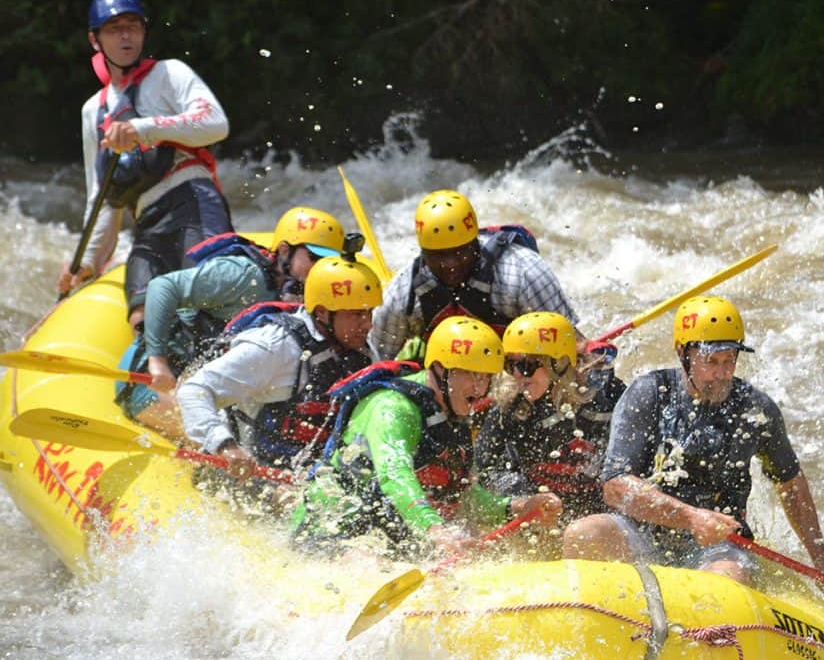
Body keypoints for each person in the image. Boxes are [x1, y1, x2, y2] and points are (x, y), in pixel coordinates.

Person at [563, 296, 824, 594]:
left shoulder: (756, 409)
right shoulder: (649, 393)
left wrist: (823, 561)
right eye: (711, 361)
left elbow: (789, 483)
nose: (722, 373)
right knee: (583, 534)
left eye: (729, 361)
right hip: (643, 533)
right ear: (683, 353)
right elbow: (616, 486)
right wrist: (691, 517)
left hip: (718, 548)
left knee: (727, 578)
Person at [291, 316, 562, 558]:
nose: (479, 388)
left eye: (486, 377)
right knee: (366, 559)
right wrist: (435, 529)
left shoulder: (451, 414)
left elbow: (461, 497)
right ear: (439, 369)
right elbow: (395, 474)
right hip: (327, 531)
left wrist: (518, 507)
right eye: (470, 374)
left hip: (385, 530)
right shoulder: (393, 408)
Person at [58, 0, 233, 329]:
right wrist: (88, 261)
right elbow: (103, 197)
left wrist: (142, 128)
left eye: (132, 26)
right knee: (140, 313)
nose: (126, 35)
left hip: (191, 203)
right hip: (148, 224)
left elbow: (216, 123)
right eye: (114, 29)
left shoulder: (169, 73)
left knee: (207, 301)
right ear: (95, 40)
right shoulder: (93, 110)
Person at [114, 207, 348, 439]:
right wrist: (157, 362)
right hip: (150, 381)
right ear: (285, 251)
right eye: (314, 259)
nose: (322, 268)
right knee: (226, 441)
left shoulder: (301, 293)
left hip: (204, 380)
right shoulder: (243, 275)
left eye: (329, 261)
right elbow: (162, 286)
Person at [177, 256, 382, 478]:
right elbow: (194, 390)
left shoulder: (360, 352)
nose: (368, 324)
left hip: (307, 471)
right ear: (323, 312)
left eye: (369, 312)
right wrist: (226, 447)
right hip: (248, 469)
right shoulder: (276, 346)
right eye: (356, 314)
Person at [369, 189, 580, 361]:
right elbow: (376, 361)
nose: (450, 264)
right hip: (449, 382)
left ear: (475, 244)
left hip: (518, 373)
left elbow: (573, 346)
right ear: (423, 254)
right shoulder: (403, 292)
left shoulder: (524, 273)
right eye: (438, 255)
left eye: (459, 252)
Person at [475, 312, 625, 538]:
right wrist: (523, 499)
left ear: (559, 363)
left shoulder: (606, 396)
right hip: (543, 512)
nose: (517, 375)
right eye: (510, 364)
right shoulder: (508, 408)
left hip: (597, 515)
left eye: (526, 365)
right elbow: (484, 472)